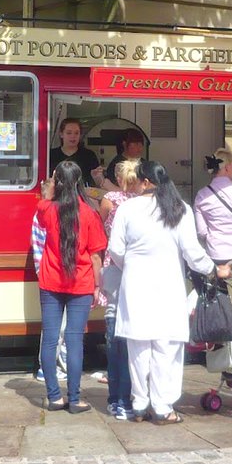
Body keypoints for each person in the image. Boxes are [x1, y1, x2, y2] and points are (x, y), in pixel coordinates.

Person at [108, 160, 231, 424]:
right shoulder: (179, 208)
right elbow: (193, 253)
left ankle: (139, 404)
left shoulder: (127, 209)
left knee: (138, 347)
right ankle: (162, 406)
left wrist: (131, 265)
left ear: (144, 182)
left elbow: (116, 250)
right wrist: (213, 269)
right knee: (167, 347)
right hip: (168, 284)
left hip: (136, 284)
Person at [35, 160, 107, 413]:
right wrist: (98, 286)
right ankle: (75, 399)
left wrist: (49, 191)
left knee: (50, 339)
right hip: (81, 282)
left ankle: (54, 396)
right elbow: (96, 256)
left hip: (51, 281)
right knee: (75, 341)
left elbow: (44, 209)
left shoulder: (46, 209)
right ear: (79, 182)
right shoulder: (90, 213)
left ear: (57, 182)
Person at [96, 158, 141, 420]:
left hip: (113, 264)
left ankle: (118, 399)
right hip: (134, 267)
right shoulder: (143, 202)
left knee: (114, 329)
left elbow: (99, 228)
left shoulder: (110, 199)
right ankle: (134, 395)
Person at [49, 118, 103, 188]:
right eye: (69, 133)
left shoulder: (89, 155)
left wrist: (97, 178)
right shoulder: (51, 155)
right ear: (61, 134)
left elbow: (97, 183)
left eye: (76, 133)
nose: (73, 136)